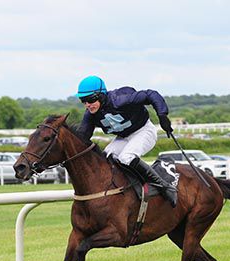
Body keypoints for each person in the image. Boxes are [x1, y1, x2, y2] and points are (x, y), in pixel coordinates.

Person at [75, 75, 177, 207]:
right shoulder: (90, 115)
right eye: (83, 101)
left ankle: (164, 186)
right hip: (123, 137)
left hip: (144, 131)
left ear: (101, 95)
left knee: (126, 157)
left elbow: (151, 94)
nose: (88, 105)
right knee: (106, 158)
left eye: (90, 99)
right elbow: (82, 138)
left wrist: (162, 115)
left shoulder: (120, 100)